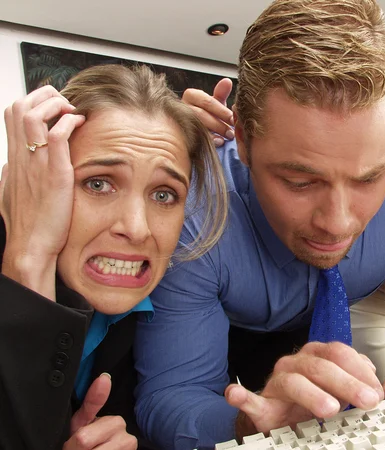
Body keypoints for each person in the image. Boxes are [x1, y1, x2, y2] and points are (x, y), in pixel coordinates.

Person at [133, 1, 385, 449]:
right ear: (242, 138)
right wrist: (247, 423)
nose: (337, 222)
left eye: (370, 177)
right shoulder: (195, 214)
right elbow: (171, 397)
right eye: (299, 181)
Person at [0, 64, 227, 450]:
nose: (137, 228)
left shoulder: (157, 323)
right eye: (99, 183)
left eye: (163, 194)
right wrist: (29, 260)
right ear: (37, 180)